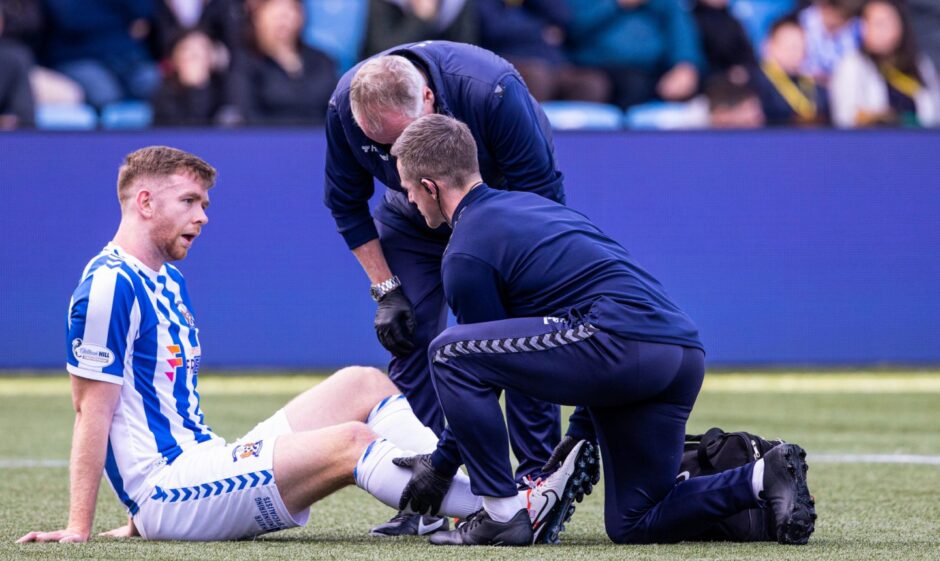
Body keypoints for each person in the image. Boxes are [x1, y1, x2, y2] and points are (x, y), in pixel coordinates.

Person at [14, 145, 584, 544]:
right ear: (143, 203)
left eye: (205, 204)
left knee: (364, 382)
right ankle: (512, 510)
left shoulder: (164, 276)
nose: (203, 216)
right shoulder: (110, 285)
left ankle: (456, 506)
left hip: (199, 466)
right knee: (352, 442)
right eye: (189, 201)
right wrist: (82, 527)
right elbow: (92, 412)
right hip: (169, 489)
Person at [388, 114, 817, 546]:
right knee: (634, 521)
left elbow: (482, 369)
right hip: (679, 352)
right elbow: (566, 319)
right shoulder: (534, 206)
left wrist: (441, 465)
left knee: (447, 352)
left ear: (430, 187)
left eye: (408, 190)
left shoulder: (464, 254)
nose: (408, 201)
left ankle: (501, 515)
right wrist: (577, 436)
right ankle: (763, 475)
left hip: (620, 347)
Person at [323, 41, 564, 535]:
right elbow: (347, 204)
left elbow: (541, 203)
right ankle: (435, 493)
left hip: (501, 217)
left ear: (429, 99)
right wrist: (386, 289)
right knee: (407, 335)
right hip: (410, 218)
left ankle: (538, 490)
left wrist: (516, 282)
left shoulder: (493, 93)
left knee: (517, 339)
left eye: (402, 142)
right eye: (383, 149)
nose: (397, 158)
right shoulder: (342, 108)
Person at [565, 0, 704, 109]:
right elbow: (573, 26)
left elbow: (680, 30)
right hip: (594, 68)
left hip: (651, 72)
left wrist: (685, 64)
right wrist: (616, 4)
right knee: (630, 86)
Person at [830, 0, 940, 127]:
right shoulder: (852, 65)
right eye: (875, 23)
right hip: (873, 143)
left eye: (884, 23)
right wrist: (882, 118)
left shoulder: (919, 64)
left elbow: (935, 112)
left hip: (920, 143)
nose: (880, 31)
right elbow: (845, 117)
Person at [227, 0, 336, 125]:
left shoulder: (323, 61)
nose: (283, 19)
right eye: (275, 10)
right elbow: (247, 114)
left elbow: (336, 111)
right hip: (267, 140)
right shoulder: (245, 63)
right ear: (257, 17)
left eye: (290, 9)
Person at [751, 16, 830, 126]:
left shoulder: (813, 84)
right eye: (789, 46)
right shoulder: (754, 83)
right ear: (768, 46)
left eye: (800, 46)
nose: (795, 52)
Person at [799, 0, 863, 83]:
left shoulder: (855, 29)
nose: (836, 20)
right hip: (806, 82)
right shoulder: (803, 21)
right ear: (825, 7)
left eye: (843, 17)